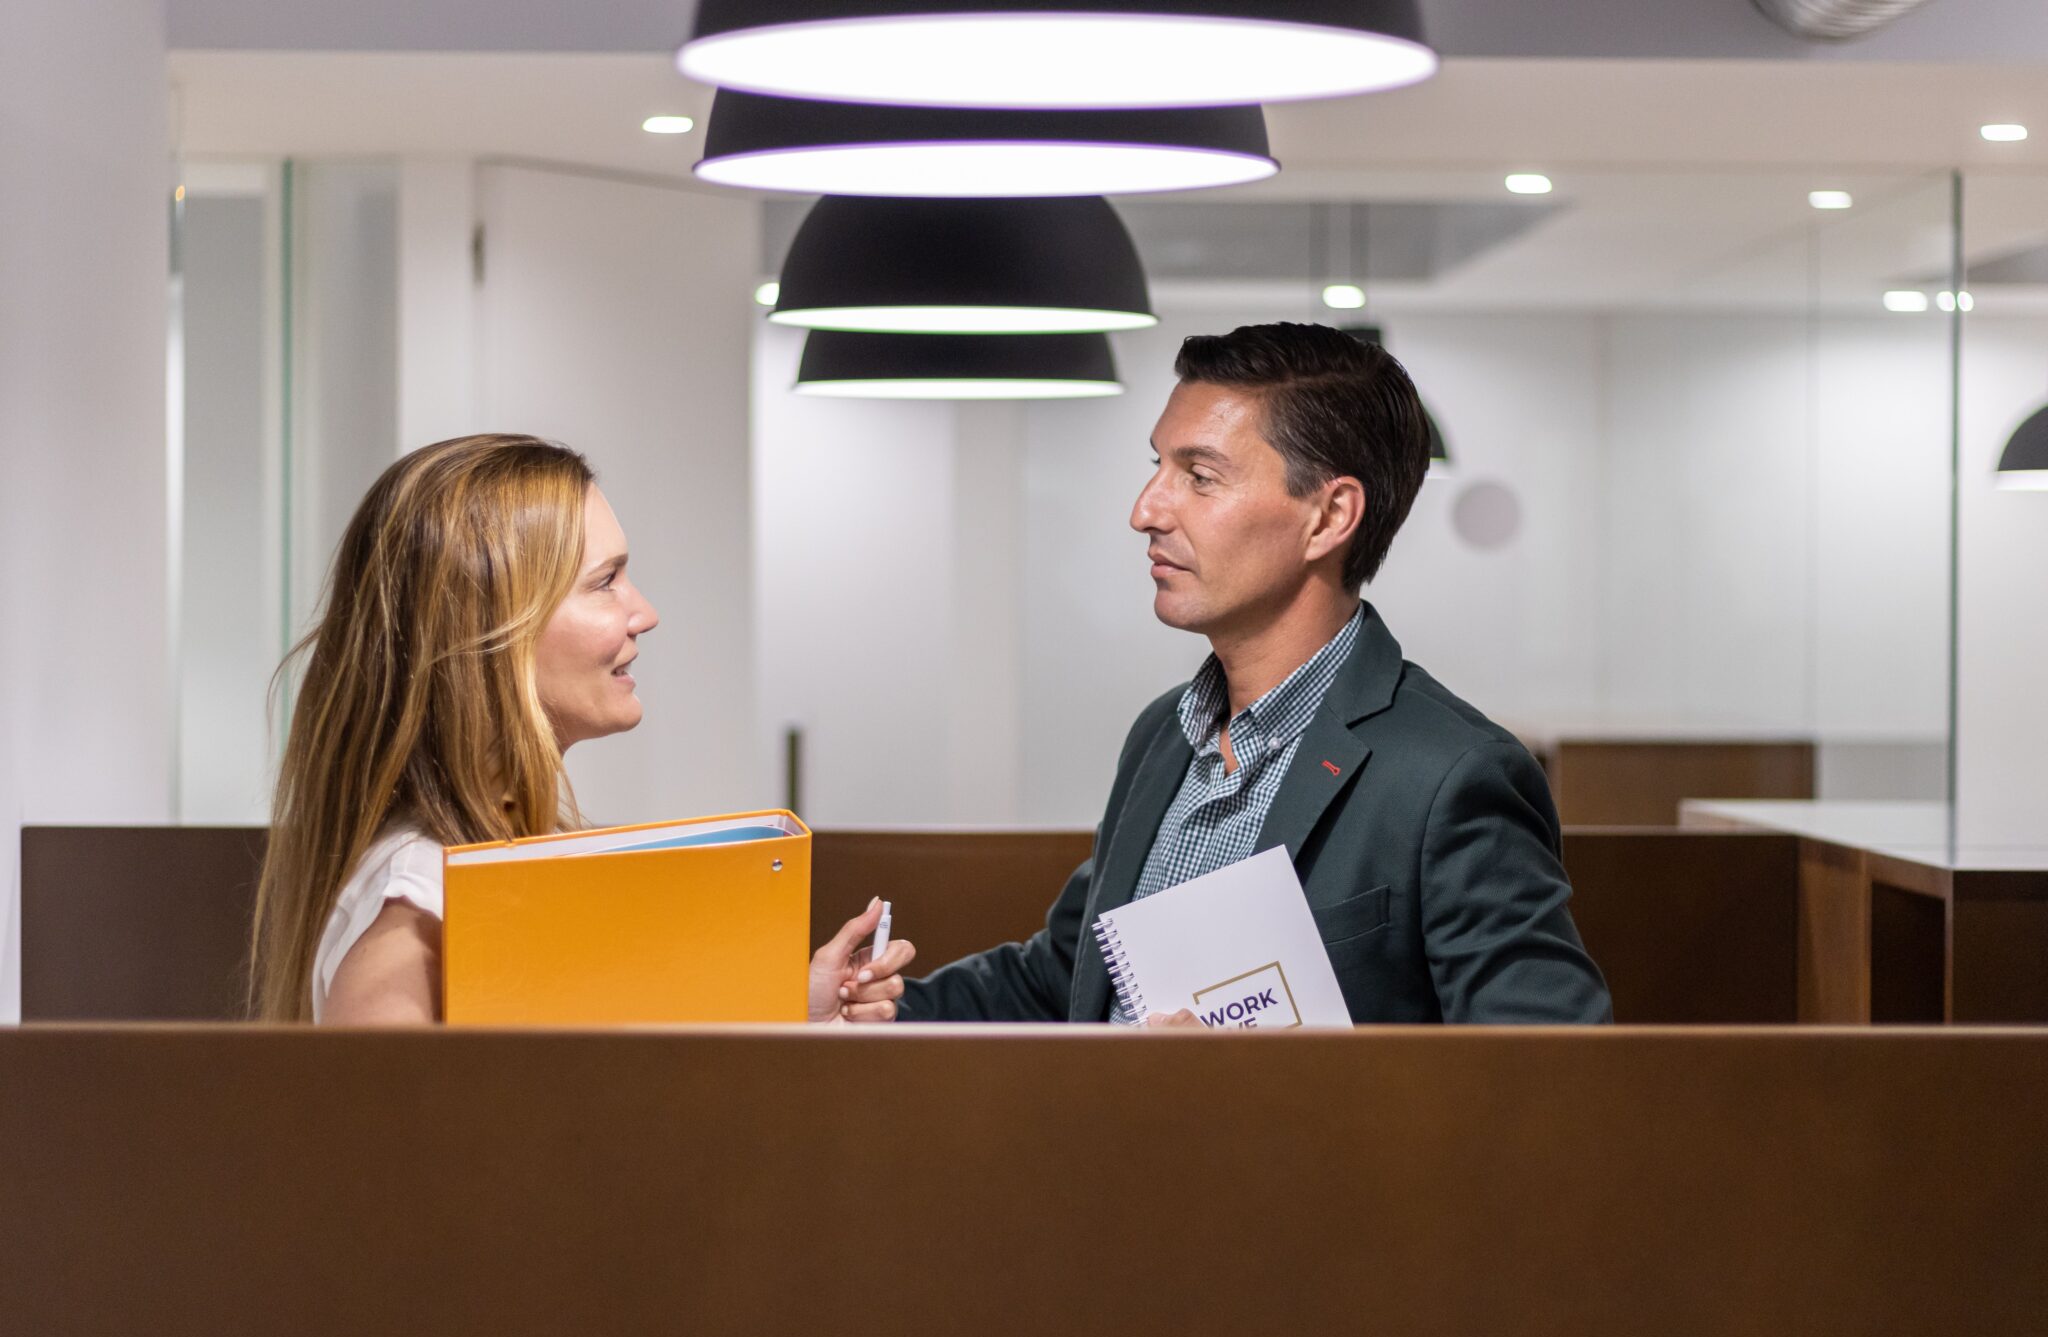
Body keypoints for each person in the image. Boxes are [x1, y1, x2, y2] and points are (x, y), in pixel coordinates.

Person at [898, 323, 1610, 1026]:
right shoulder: (1163, 734)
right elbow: (1071, 977)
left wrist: (1253, 1094)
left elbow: (1546, 1083)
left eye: (1199, 477)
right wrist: (870, 1011)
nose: (1145, 510)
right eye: (1157, 467)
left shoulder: (1451, 774)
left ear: (1329, 516)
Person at [246, 434, 914, 1024]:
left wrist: (788, 1019)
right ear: (490, 633)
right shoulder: (412, 919)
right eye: (606, 582)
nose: (644, 612)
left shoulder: (510, 854)